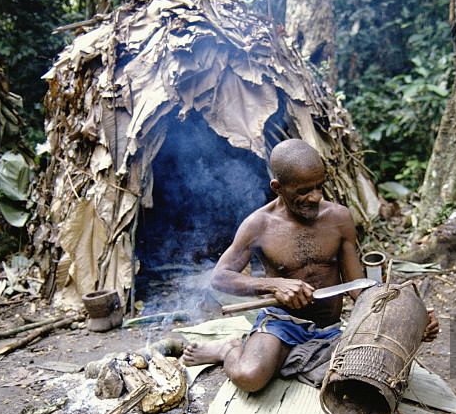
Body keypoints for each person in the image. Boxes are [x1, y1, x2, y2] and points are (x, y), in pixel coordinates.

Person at [182, 139, 439, 392]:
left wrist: (409, 317)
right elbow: (220, 277)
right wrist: (274, 284)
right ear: (278, 188)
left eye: (319, 186)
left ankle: (287, 356)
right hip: (282, 323)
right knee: (249, 377)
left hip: (330, 330)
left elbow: (357, 288)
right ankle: (228, 349)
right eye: (304, 190)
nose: (315, 197)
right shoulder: (258, 225)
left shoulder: (339, 218)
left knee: (373, 376)